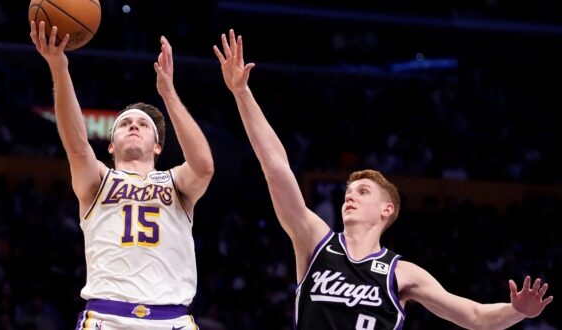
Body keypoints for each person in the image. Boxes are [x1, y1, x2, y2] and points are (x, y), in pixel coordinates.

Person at [213, 29, 554, 329]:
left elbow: (476, 317)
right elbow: (276, 167)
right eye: (349, 191)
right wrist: (242, 94)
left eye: (362, 191)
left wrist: (517, 312)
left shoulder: (402, 273)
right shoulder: (315, 242)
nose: (350, 196)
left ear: (387, 209)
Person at [30, 21, 214, 330]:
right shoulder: (99, 180)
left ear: (157, 146)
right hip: (106, 316)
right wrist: (59, 67)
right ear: (111, 145)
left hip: (173, 319)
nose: (133, 126)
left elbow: (204, 166)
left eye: (142, 125)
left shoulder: (176, 182)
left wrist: (168, 94)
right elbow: (76, 145)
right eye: (125, 123)